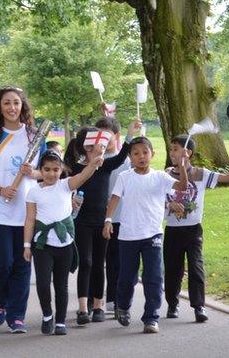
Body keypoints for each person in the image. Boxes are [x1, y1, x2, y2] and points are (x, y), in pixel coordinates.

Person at [0, 86, 45, 334]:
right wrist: (1, 190)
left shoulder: (34, 136)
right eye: (7, 103)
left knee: (22, 264)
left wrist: (32, 172)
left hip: (26, 209)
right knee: (2, 262)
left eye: (16, 103)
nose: (12, 108)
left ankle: (17, 316)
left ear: (22, 106)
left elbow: (44, 173)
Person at [163, 136, 229, 323]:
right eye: (171, 149)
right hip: (173, 229)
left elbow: (227, 178)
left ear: (187, 153)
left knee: (196, 266)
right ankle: (172, 304)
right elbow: (160, 196)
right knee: (173, 269)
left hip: (193, 230)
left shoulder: (201, 173)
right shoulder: (166, 173)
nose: (171, 152)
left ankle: (199, 306)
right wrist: (171, 203)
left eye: (175, 149)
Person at [103, 136, 188, 334]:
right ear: (130, 158)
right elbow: (114, 199)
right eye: (136, 153)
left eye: (145, 152)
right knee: (126, 278)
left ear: (152, 154)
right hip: (128, 236)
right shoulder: (125, 177)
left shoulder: (160, 177)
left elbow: (182, 187)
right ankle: (122, 306)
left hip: (153, 235)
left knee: (154, 277)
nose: (141, 156)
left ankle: (151, 317)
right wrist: (107, 221)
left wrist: (182, 166)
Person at [66, 118, 140, 325]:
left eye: (100, 143)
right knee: (86, 262)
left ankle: (98, 305)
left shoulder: (106, 165)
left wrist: (129, 134)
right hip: (82, 222)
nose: (96, 148)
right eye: (91, 145)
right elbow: (64, 185)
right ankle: (83, 308)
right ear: (84, 146)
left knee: (99, 263)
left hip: (101, 221)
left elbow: (122, 155)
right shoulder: (74, 167)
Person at [23, 149, 102, 336]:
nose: (51, 174)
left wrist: (93, 162)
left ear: (61, 170)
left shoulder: (66, 185)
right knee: (43, 283)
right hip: (42, 244)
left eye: (55, 170)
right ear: (40, 170)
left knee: (61, 285)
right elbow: (30, 220)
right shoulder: (33, 192)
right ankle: (47, 315)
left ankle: (60, 321)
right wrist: (27, 245)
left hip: (64, 243)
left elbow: (83, 175)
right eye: (47, 169)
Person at [99, 117, 133, 315]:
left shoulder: (126, 163)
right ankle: (92, 300)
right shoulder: (93, 160)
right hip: (96, 218)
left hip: (118, 219)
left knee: (115, 261)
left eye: (107, 135)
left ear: (116, 136)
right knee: (96, 260)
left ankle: (114, 298)